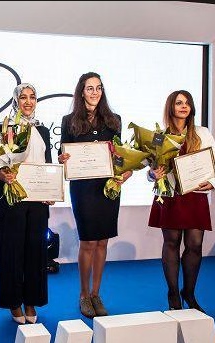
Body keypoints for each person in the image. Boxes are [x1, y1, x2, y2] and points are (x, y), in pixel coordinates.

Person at [58, 72, 132, 318]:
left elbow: (120, 155)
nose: (94, 92)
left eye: (98, 88)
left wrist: (125, 171)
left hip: (108, 187)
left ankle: (96, 294)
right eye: (89, 88)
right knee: (88, 241)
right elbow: (63, 155)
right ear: (81, 92)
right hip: (83, 188)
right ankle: (83, 294)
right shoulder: (69, 121)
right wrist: (63, 159)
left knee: (102, 242)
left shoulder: (114, 120)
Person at [148, 90, 215, 312]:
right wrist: (153, 175)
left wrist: (213, 182)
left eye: (187, 103)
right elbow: (150, 171)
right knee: (171, 243)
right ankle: (173, 294)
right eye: (179, 103)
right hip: (170, 196)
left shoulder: (202, 133)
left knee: (195, 245)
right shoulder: (159, 136)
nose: (184, 106)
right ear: (171, 107)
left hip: (194, 195)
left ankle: (189, 293)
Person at [0, 83, 54, 324]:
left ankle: (31, 301)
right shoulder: (4, 127)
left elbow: (46, 165)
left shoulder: (44, 130)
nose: (28, 101)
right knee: (11, 253)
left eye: (32, 97)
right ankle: (14, 303)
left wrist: (51, 189)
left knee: (36, 253)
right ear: (16, 100)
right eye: (23, 97)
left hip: (37, 201)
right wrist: (1, 174)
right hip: (12, 199)